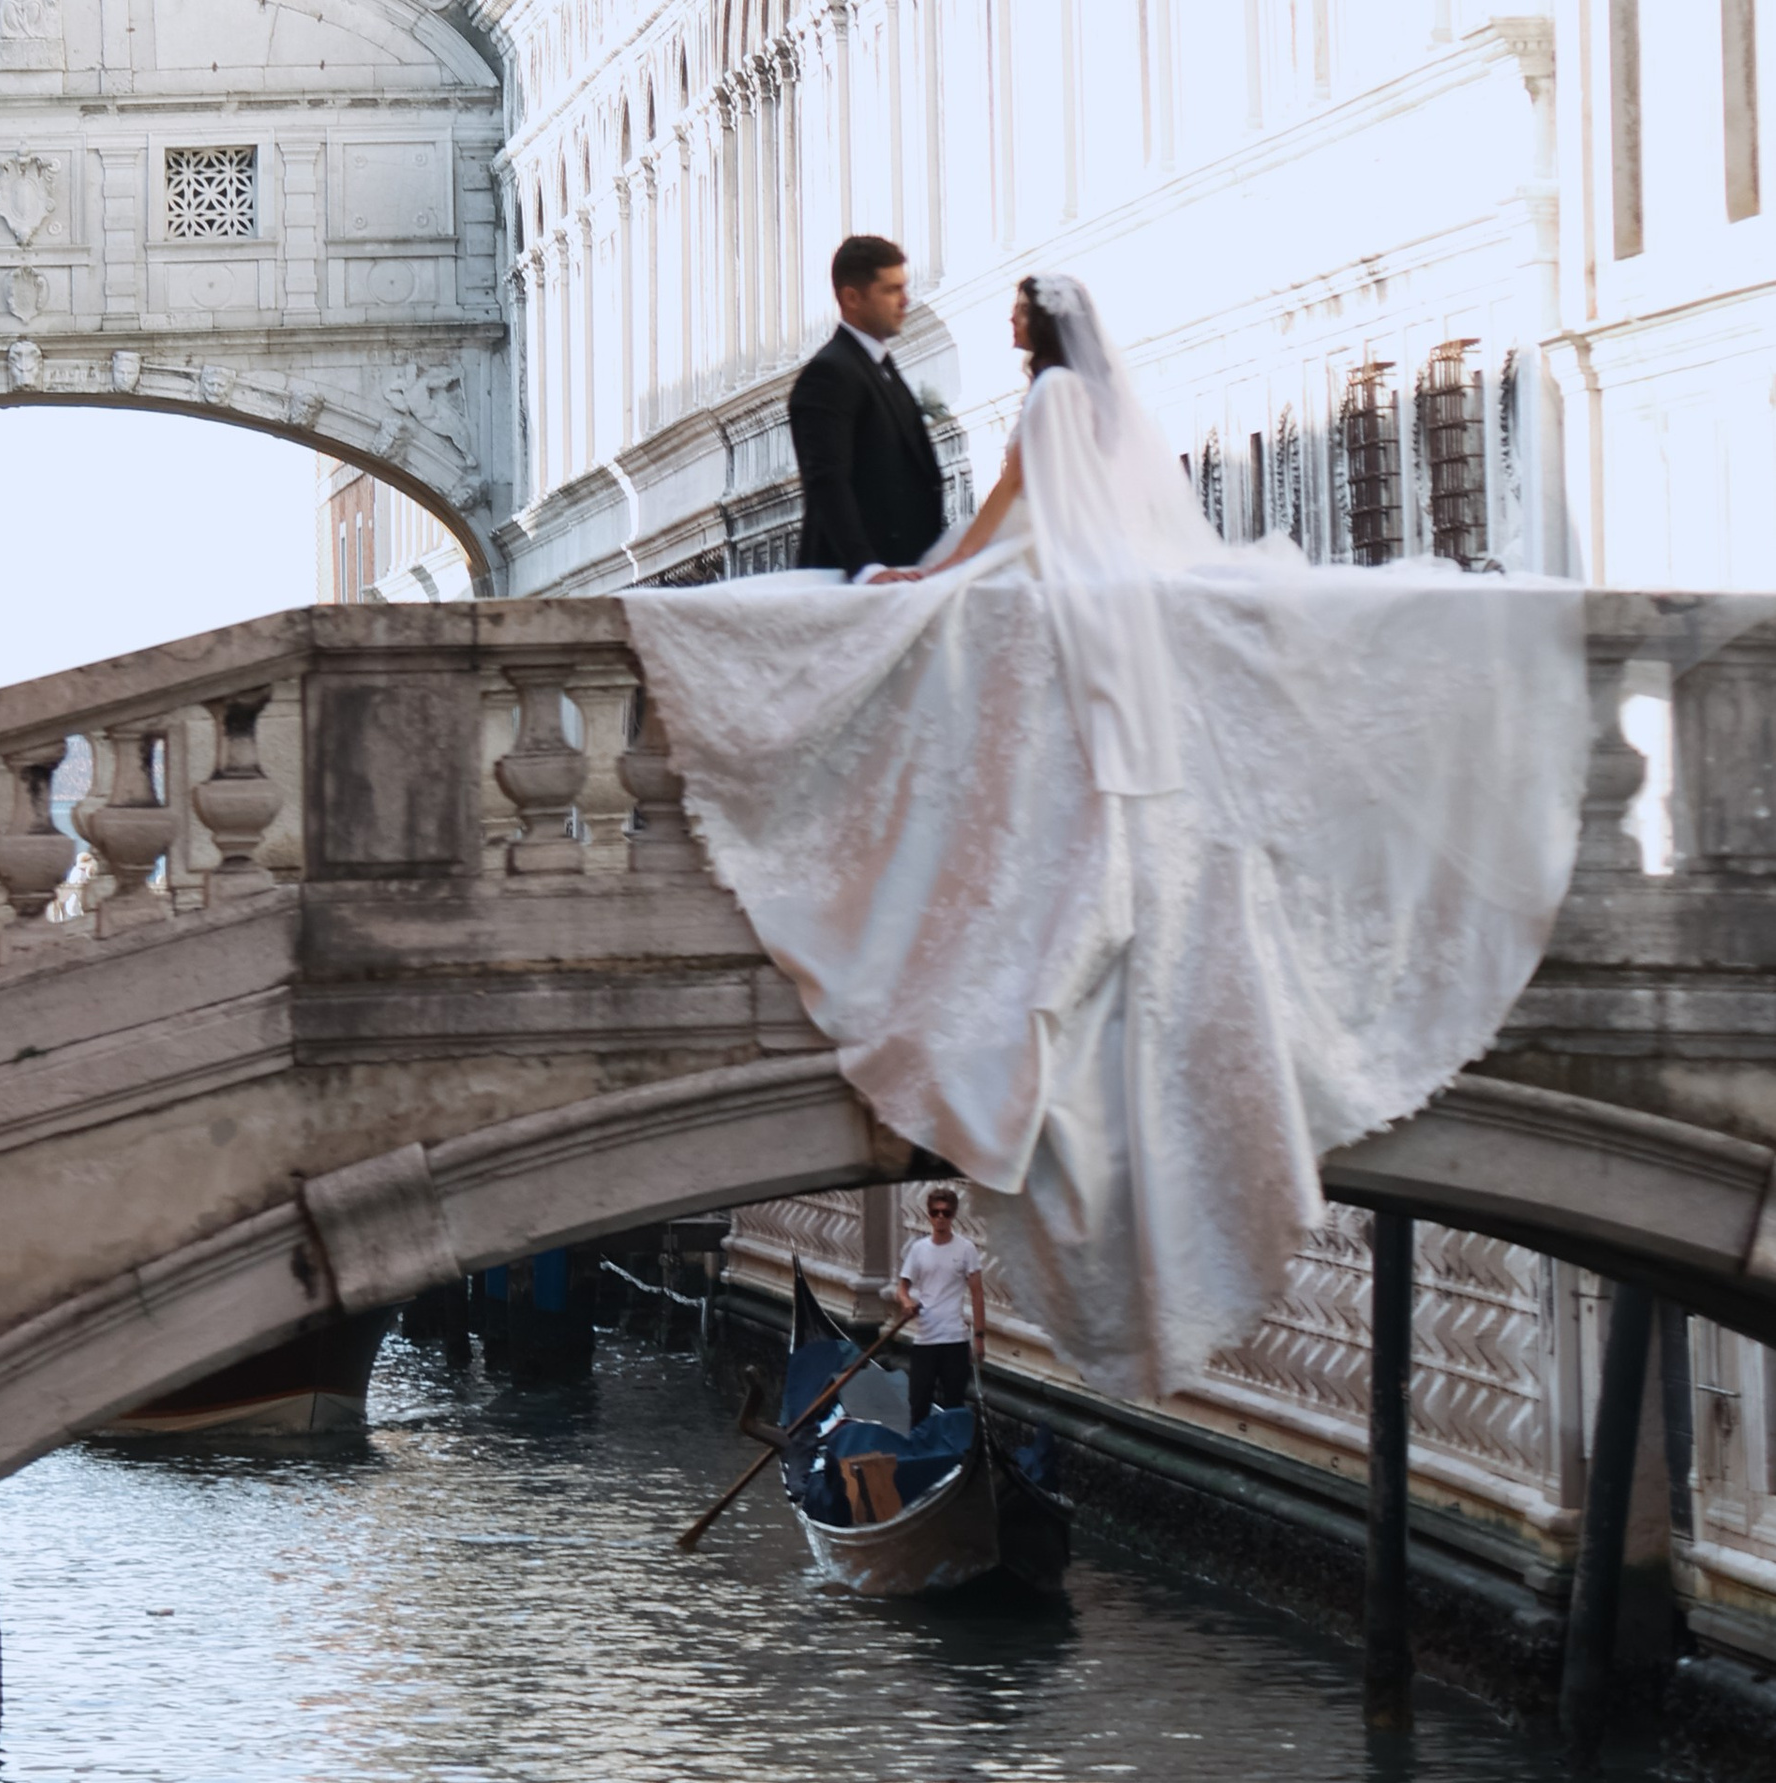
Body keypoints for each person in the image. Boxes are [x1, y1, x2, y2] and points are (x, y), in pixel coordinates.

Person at [624, 269, 1593, 1406]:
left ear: (1040, 328)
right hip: (1097, 610)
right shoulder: (1097, 406)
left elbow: (1005, 516)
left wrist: (927, 572)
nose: (1006, 326)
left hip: (1044, 600)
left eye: (1016, 316)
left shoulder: (1041, 407)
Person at [788, 235, 945, 577]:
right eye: (891, 290)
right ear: (852, 298)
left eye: (904, 288)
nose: (905, 301)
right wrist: (865, 567)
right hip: (855, 582)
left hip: (904, 571)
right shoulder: (828, 373)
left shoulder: (879, 365)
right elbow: (827, 479)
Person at [898, 1184, 985, 1421]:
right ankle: (918, 1452)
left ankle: (953, 1455)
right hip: (925, 1338)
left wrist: (978, 1337)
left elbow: (977, 1293)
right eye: (935, 1212)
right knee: (918, 1404)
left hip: (955, 1339)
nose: (940, 1218)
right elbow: (903, 1286)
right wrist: (906, 1302)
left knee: (954, 1406)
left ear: (953, 1215)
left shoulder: (966, 1249)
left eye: (945, 1213)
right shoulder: (918, 1249)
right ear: (929, 1215)